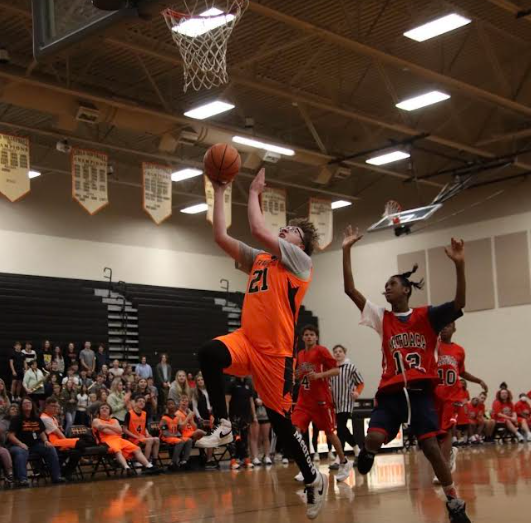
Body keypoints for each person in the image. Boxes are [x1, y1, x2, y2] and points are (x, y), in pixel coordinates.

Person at [196, 168, 325, 519]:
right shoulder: (260, 260)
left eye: (292, 231)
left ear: (300, 245)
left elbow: (256, 228)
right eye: (285, 228)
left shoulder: (301, 263)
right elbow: (221, 236)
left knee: (282, 424)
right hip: (246, 341)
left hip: (276, 354)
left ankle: (314, 477)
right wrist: (220, 190)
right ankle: (222, 425)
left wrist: (253, 192)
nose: (285, 230)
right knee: (207, 353)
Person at [342, 225, 471, 523]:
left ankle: (454, 503)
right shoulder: (381, 318)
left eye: (392, 284)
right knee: (372, 438)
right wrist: (347, 249)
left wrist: (460, 265)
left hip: (419, 393)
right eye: (385, 285)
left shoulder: (428, 315)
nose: (386, 288)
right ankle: (369, 452)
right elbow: (350, 290)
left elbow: (459, 303)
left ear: (406, 289)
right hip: (391, 395)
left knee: (431, 448)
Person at [292, 325, 352, 482]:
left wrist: (319, 375)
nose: (309, 337)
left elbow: (336, 371)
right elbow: (301, 375)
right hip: (303, 401)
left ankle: (344, 462)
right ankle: (306, 466)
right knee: (295, 432)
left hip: (321, 400)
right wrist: (297, 375)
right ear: (303, 338)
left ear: (316, 337)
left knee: (329, 433)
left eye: (312, 334)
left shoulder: (322, 351)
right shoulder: (300, 354)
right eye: (306, 334)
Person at [434, 321, 487, 478]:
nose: (444, 327)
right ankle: (450, 453)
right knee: (436, 434)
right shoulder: (432, 346)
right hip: (435, 395)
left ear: (454, 329)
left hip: (453, 396)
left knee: (447, 431)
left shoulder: (459, 350)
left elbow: (462, 372)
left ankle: (441, 471)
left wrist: (478, 381)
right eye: (442, 325)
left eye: (448, 325)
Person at [8, 398, 65, 486]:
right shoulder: (16, 419)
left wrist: (46, 441)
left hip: (35, 444)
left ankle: (56, 477)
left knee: (50, 449)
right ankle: (23, 479)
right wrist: (20, 444)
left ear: (32, 405)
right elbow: (10, 435)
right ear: (21, 406)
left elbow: (41, 432)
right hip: (18, 445)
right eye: (25, 403)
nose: (27, 404)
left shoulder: (36, 418)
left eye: (29, 403)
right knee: (21, 452)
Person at [92, 403, 156, 472]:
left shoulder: (114, 420)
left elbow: (119, 430)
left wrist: (107, 426)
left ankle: (149, 466)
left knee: (136, 448)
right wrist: (115, 429)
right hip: (105, 441)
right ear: (99, 411)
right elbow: (105, 431)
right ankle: (126, 467)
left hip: (119, 439)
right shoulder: (96, 420)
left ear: (109, 411)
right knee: (117, 450)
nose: (104, 409)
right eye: (102, 408)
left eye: (107, 408)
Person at [329, 344, 364, 469]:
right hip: (335, 403)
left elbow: (360, 382)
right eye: (335, 352)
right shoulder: (331, 368)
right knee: (342, 429)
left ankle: (340, 458)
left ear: (344, 353)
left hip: (346, 402)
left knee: (341, 428)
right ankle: (357, 451)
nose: (338, 353)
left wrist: (357, 392)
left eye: (340, 351)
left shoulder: (350, 367)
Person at [40, 397, 90, 479]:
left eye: (57, 406)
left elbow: (58, 431)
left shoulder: (52, 417)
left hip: (59, 441)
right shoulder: (45, 418)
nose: (56, 408)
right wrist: (67, 444)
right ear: (46, 406)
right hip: (54, 443)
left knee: (76, 452)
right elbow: (59, 433)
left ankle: (66, 473)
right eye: (53, 406)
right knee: (81, 443)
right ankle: (67, 468)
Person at [226, 377, 256, 470]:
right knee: (234, 438)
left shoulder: (249, 383)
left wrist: (254, 416)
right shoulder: (232, 383)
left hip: (246, 416)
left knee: (245, 438)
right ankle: (233, 460)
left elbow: (251, 401)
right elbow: (227, 401)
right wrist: (226, 416)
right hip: (234, 416)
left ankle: (246, 459)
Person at [123, 395, 160, 463]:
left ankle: (154, 461)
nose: (142, 403)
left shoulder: (145, 414)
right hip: (133, 438)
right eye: (139, 401)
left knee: (157, 439)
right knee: (150, 440)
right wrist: (136, 436)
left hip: (142, 437)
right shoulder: (129, 414)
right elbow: (124, 429)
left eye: (143, 402)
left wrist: (148, 434)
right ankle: (146, 463)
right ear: (135, 403)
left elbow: (145, 427)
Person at [159, 399, 193, 471]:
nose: (171, 405)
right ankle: (173, 462)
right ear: (166, 407)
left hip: (175, 437)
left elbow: (179, 428)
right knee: (180, 441)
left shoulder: (177, 417)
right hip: (166, 437)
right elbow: (164, 432)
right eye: (169, 404)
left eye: (172, 404)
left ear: (175, 405)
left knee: (189, 440)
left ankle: (184, 461)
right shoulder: (164, 418)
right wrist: (176, 436)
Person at [250, 392, 272, 466]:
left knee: (266, 436)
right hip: (254, 415)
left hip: (265, 415)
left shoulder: (266, 388)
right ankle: (255, 457)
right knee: (255, 437)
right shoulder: (252, 389)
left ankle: (267, 456)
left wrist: (263, 402)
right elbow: (250, 401)